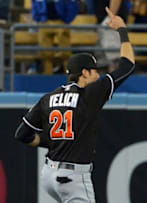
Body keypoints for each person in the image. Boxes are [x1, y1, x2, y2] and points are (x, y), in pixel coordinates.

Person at [14, 7, 135, 202]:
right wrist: (122, 29)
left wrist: (53, 141)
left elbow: (22, 134)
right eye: (95, 71)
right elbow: (127, 65)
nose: (98, 75)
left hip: (48, 174)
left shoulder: (48, 98)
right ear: (84, 73)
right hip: (73, 177)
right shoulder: (90, 94)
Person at [32, 0, 79, 74]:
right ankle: (47, 75)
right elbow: (34, 4)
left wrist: (66, 20)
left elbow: (72, 4)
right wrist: (38, 19)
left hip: (61, 22)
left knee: (65, 51)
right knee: (45, 52)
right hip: (44, 22)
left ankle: (69, 75)